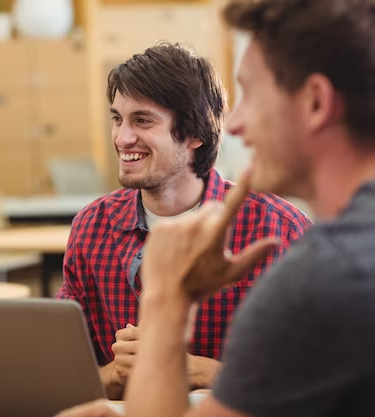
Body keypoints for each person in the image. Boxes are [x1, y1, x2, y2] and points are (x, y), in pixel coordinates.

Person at [56, 0, 375, 416]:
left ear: (316, 103)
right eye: (117, 119)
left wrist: (168, 304)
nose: (236, 122)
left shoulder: (314, 263)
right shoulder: (341, 258)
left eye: (252, 95)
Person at [56, 42, 311, 399]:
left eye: (142, 120)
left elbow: (324, 380)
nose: (121, 138)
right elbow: (62, 376)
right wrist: (116, 373)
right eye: (117, 119)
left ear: (195, 134)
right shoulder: (92, 228)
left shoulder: (278, 228)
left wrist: (206, 371)